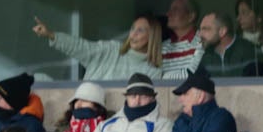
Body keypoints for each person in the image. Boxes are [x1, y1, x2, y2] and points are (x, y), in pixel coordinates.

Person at [32, 13, 164, 81]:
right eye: (132, 28)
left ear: (151, 36)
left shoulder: (153, 72)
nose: (133, 34)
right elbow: (80, 47)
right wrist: (51, 35)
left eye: (140, 30)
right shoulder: (111, 50)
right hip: (86, 113)